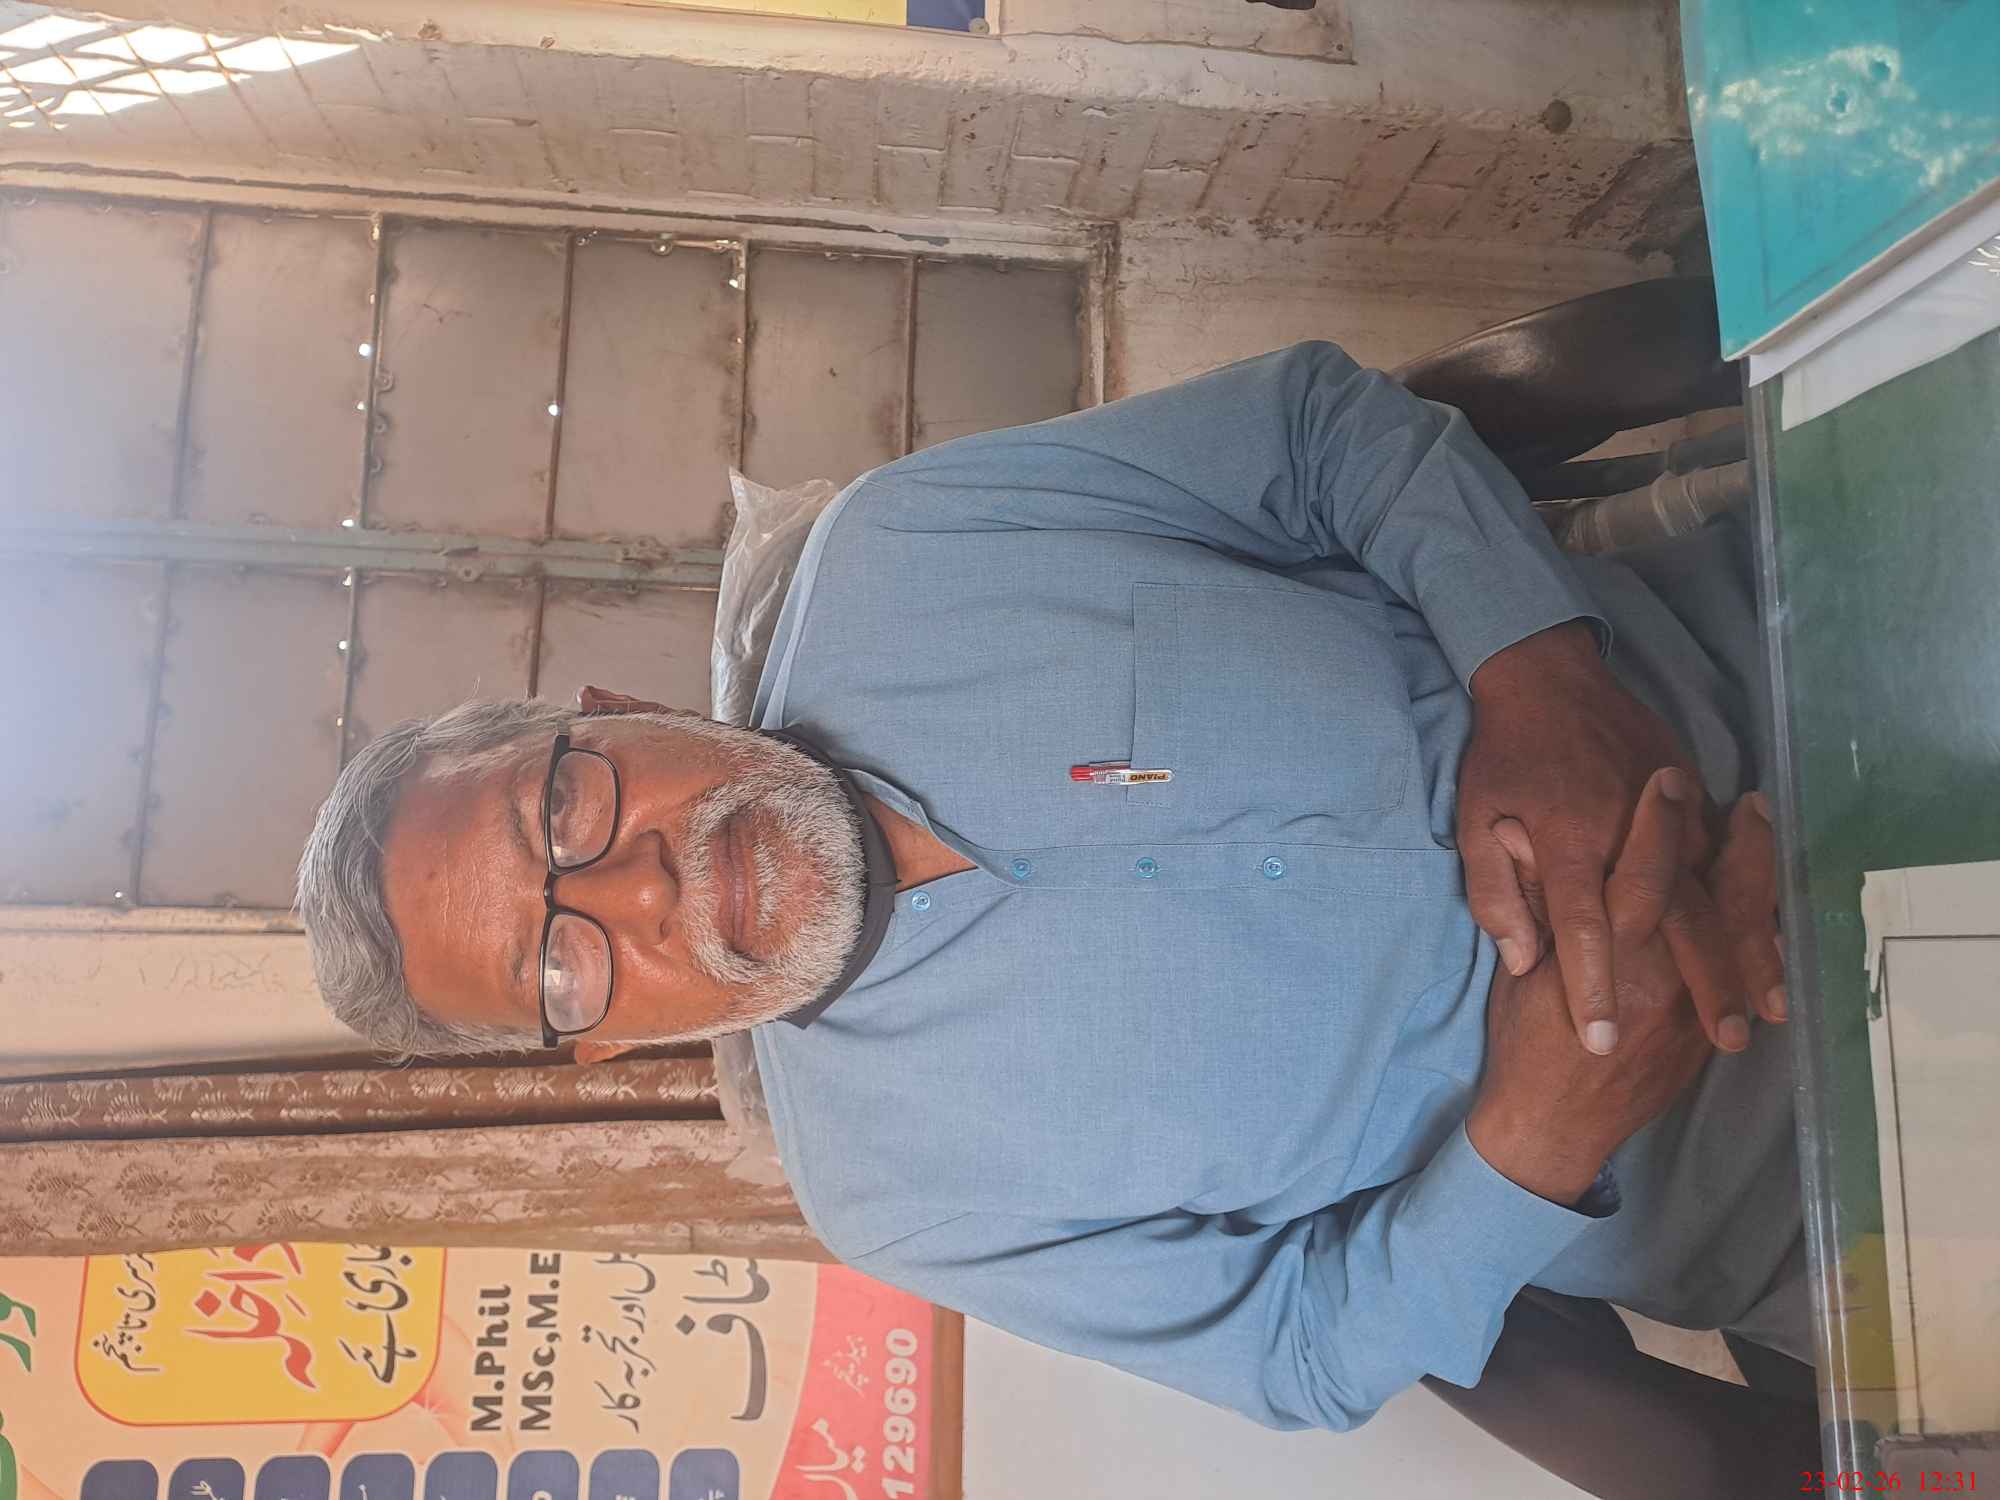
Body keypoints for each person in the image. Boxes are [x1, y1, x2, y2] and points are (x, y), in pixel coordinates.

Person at [298, 343, 1809, 1491]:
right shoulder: (902, 1198)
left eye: (564, 808)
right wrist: (1547, 1126)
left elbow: (1317, 430)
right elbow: (1304, 1350)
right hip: (1802, 1155)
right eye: (562, 964)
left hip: (1788, 645)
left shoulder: (903, 549)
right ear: (605, 1046)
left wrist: (1534, 677)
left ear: (616, 705)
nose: (641, 887)